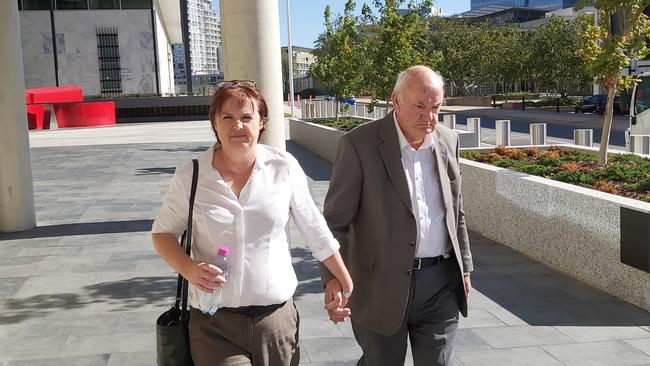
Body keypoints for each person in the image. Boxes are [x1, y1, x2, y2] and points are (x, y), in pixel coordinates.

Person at [152, 80, 353, 366]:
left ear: (262, 122)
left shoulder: (283, 167)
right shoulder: (192, 174)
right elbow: (162, 234)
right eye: (228, 118)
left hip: (277, 322)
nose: (238, 126)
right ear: (215, 123)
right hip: (214, 324)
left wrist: (343, 279)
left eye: (247, 117)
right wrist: (188, 268)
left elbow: (316, 230)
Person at [320, 66, 473, 366]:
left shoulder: (448, 141)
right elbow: (334, 221)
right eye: (419, 106)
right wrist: (332, 278)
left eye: (436, 107)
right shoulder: (359, 145)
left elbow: (456, 210)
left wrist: (464, 267)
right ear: (396, 100)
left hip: (440, 282)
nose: (428, 117)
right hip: (379, 286)